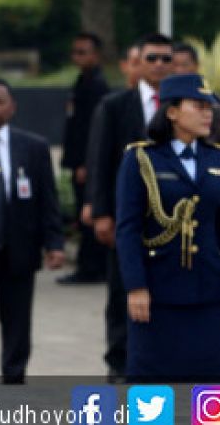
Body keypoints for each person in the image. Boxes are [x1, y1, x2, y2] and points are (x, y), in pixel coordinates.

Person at [115, 73, 220, 381]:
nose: (207, 112)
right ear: (171, 111)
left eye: (210, 106)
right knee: (153, 386)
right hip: (158, 291)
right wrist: (136, 286)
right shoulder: (141, 158)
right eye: (198, 105)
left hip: (209, 292)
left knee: (212, 383)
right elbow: (128, 228)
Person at [0, 79, 65, 383]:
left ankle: (14, 378)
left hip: (19, 250)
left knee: (17, 323)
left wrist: (54, 242)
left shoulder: (33, 146)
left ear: (12, 107)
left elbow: (48, 198)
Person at [86, 33, 173, 381]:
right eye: (151, 58)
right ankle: (118, 362)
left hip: (170, 221)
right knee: (123, 288)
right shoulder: (115, 105)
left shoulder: (183, 106)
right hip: (126, 217)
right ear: (136, 62)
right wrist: (100, 211)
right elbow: (99, 161)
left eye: (166, 59)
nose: (159, 65)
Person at [58, 32, 110, 285]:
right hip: (77, 158)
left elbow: (93, 130)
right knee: (82, 214)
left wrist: (86, 164)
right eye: (74, 52)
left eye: (83, 52)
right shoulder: (82, 81)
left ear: (96, 55)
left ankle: (91, 267)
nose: (77, 57)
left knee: (88, 214)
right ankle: (89, 265)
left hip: (86, 163)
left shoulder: (97, 86)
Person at [171, 42, 220, 147]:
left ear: (196, 66)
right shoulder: (164, 97)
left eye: (184, 65)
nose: (179, 70)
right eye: (175, 65)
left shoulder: (211, 99)